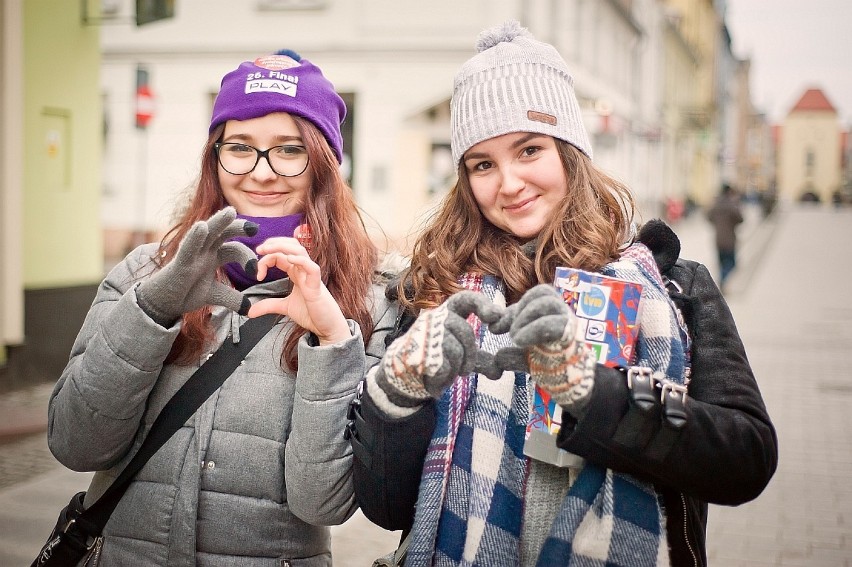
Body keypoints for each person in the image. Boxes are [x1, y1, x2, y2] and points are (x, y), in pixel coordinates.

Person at [348, 21, 777, 567]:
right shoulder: (437, 292)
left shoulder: (674, 287)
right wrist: (394, 394)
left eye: (528, 150)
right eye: (483, 164)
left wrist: (591, 392)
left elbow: (746, 460)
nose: (507, 182)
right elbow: (386, 506)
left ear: (570, 152)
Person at [47, 49, 396, 565]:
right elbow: (75, 443)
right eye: (240, 147)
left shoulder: (369, 296)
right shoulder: (144, 272)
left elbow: (324, 503)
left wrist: (331, 339)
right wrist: (154, 309)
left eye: (288, 150)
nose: (260, 172)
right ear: (215, 156)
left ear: (322, 164)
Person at [706, 182, 744, 290]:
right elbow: (741, 219)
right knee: (732, 263)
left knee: (722, 262)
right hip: (730, 240)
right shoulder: (732, 204)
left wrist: (717, 224)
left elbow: (708, 216)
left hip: (718, 239)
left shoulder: (716, 204)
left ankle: (722, 279)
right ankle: (723, 279)